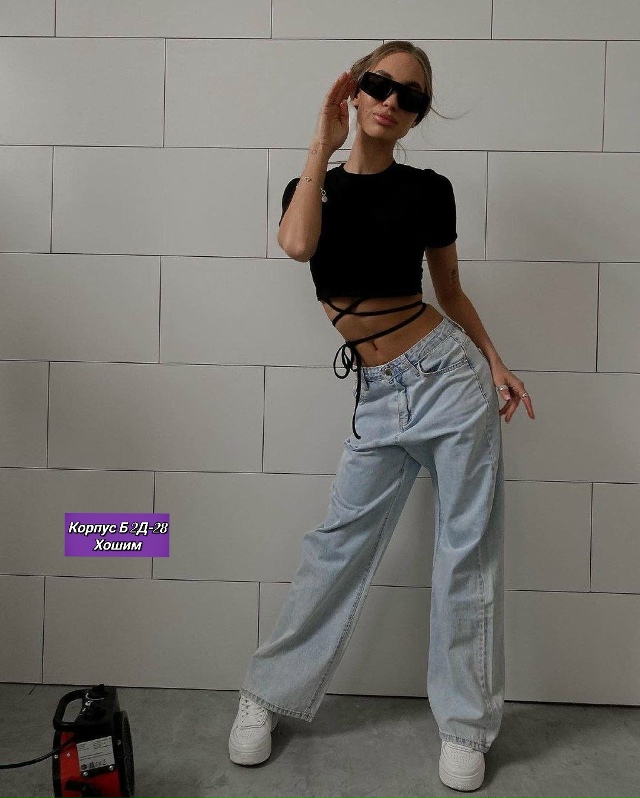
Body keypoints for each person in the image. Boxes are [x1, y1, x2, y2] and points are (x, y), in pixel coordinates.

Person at [228, 40, 535, 792]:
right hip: (378, 397)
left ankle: (465, 726)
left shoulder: (429, 190)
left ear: (419, 116)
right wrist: (322, 138)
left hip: (448, 382)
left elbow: (450, 292)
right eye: (380, 84)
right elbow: (297, 244)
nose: (393, 102)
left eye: (412, 97)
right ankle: (268, 692)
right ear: (356, 90)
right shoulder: (311, 188)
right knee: (335, 548)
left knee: (466, 555)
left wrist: (494, 360)